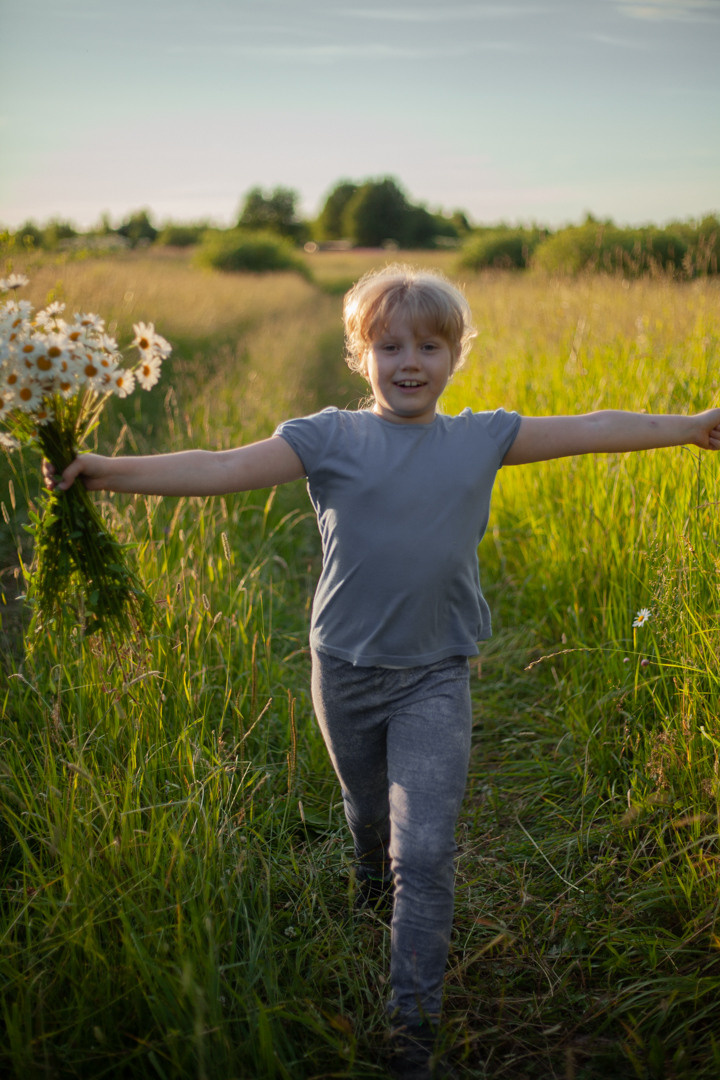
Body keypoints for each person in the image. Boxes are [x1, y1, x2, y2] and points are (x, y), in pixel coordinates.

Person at [45, 265, 720, 1079]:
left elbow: (592, 425)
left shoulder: (483, 438)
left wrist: (691, 425)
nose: (410, 360)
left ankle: (412, 1031)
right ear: (359, 353)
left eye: (429, 346)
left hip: (437, 674)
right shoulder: (327, 438)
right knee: (368, 815)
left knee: (425, 852)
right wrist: (103, 469)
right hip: (346, 672)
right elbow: (220, 468)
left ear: (454, 356)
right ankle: (367, 874)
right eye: (389, 344)